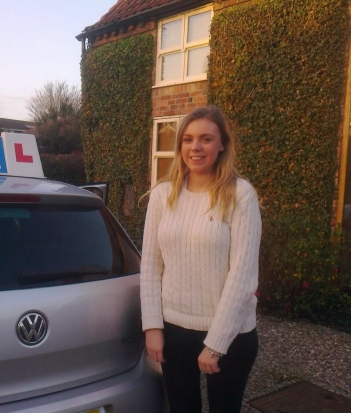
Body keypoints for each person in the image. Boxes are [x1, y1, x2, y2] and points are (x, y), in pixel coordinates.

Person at [140, 105, 262, 413]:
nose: (195, 147)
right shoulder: (163, 195)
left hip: (230, 335)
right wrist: (153, 327)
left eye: (206, 139)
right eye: (188, 139)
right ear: (180, 145)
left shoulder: (240, 195)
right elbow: (151, 266)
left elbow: (242, 276)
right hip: (174, 330)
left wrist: (215, 345)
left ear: (222, 145)